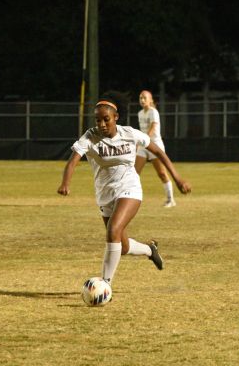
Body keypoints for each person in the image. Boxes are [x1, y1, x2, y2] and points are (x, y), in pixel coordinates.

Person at [57, 100, 191, 285]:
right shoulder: (90, 137)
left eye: (106, 119)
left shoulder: (129, 133)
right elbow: (73, 161)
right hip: (105, 195)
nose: (102, 124)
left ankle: (105, 285)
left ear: (116, 117)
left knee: (113, 230)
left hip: (130, 188)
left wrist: (177, 179)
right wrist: (65, 183)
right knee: (123, 246)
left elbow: (158, 152)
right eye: (98, 120)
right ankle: (150, 250)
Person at [135, 90, 176, 207]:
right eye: (140, 98)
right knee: (134, 173)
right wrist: (139, 143)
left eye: (145, 98)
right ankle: (133, 198)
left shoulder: (153, 112)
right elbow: (142, 131)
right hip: (144, 145)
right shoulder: (140, 113)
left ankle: (170, 200)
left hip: (155, 145)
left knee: (162, 173)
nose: (142, 100)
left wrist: (143, 140)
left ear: (151, 100)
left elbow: (152, 128)